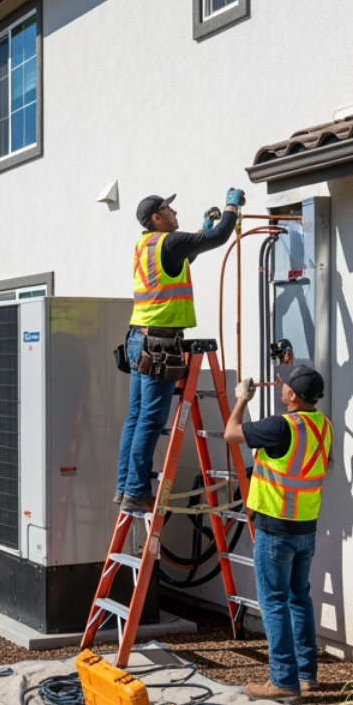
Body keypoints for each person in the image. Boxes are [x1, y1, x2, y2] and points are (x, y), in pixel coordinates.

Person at [116, 189, 241, 511]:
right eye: (169, 210)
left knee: (135, 418)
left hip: (137, 338)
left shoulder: (147, 244)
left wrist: (201, 228)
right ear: (157, 218)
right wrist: (231, 206)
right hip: (159, 342)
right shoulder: (169, 242)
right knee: (150, 421)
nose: (175, 214)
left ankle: (125, 487)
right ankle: (135, 492)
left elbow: (185, 255)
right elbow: (221, 236)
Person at [224, 361, 332, 700]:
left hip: (275, 529)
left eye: (285, 383)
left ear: (293, 396)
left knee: (273, 602)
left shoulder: (281, 426)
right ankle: (306, 674)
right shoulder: (323, 425)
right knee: (299, 598)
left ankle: (283, 682)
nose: (281, 387)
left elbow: (231, 433)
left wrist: (241, 399)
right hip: (305, 527)